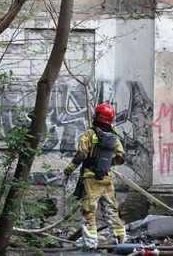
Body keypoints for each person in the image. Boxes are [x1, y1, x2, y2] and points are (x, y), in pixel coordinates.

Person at [61, 103, 126, 250]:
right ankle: (121, 244)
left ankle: (90, 245)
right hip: (107, 179)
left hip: (91, 180)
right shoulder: (113, 134)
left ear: (97, 116)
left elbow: (80, 156)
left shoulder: (90, 133)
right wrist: (108, 165)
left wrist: (67, 172)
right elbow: (121, 158)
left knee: (89, 211)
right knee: (112, 212)